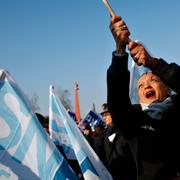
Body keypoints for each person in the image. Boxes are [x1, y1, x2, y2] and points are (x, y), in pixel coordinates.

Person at [107, 15, 180, 179]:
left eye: (153, 79)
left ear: (167, 88)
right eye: (140, 85)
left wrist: (154, 64)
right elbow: (117, 106)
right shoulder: (135, 121)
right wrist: (119, 51)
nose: (146, 85)